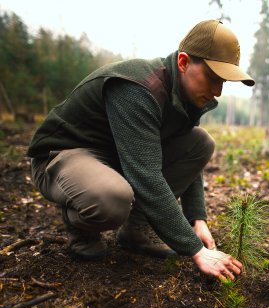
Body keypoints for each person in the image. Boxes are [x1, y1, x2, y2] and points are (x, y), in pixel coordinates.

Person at [27, 19, 255, 281]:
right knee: (112, 199)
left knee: (201, 142)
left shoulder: (183, 95)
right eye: (213, 78)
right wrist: (196, 250)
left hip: (115, 157)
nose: (217, 91)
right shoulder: (139, 89)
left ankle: (137, 230)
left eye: (223, 82)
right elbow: (146, 176)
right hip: (64, 155)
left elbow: (185, 154)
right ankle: (81, 227)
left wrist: (197, 219)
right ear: (183, 62)